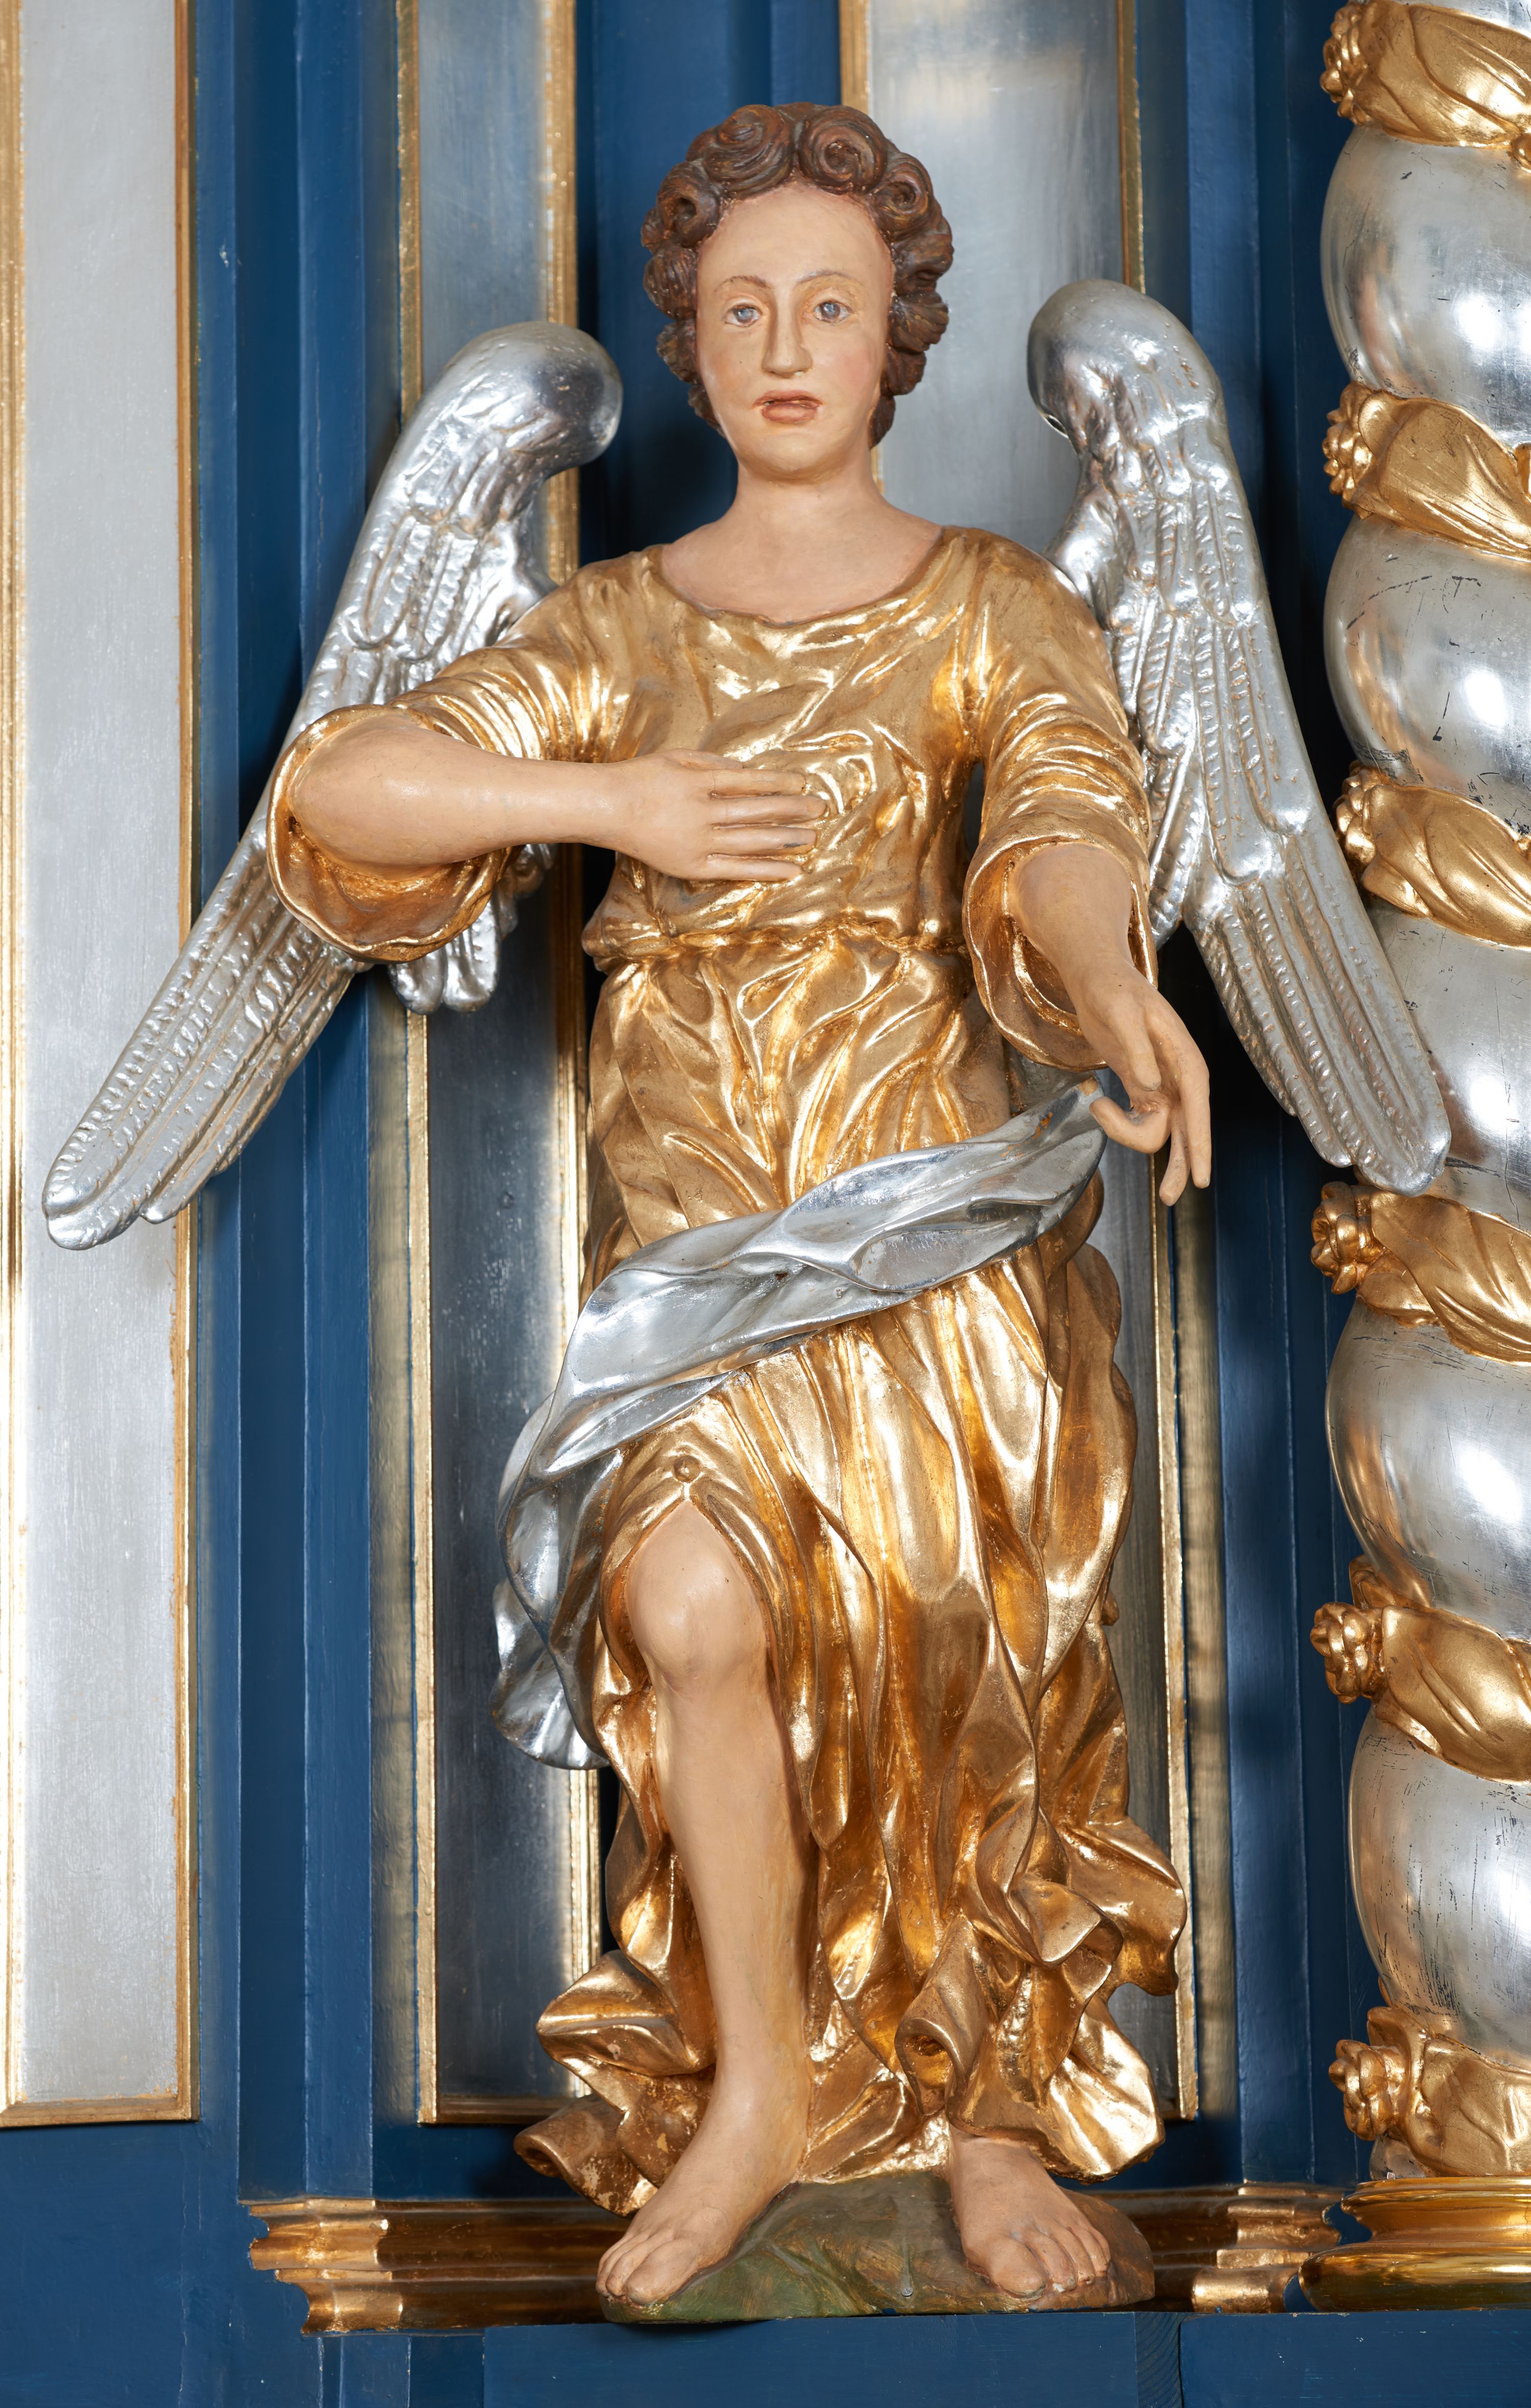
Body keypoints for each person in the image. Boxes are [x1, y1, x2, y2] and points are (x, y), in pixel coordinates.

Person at [269, 103, 1209, 2310]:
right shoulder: (622, 626)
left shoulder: (992, 605)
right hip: (700, 1257)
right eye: (745, 307)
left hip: (940, 1238)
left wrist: (1108, 979)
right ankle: (762, 2088)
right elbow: (345, 789)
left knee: (955, 1665)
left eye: (833, 307)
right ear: (689, 342)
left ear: (897, 343)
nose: (789, 347)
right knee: (689, 1606)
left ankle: (982, 2117)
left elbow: (1064, 818)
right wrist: (616, 799)